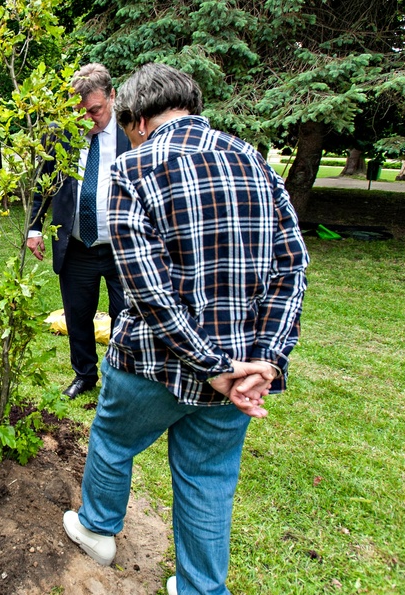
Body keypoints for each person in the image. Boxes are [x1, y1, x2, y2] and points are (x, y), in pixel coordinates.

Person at [61, 64, 309, 595]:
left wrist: (216, 369)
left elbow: (147, 290)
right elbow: (292, 269)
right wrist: (265, 360)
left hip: (153, 365)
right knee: (209, 479)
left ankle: (99, 529)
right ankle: (200, 588)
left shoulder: (133, 167)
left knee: (111, 439)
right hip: (240, 371)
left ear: (137, 119)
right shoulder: (257, 163)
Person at [27, 63, 131, 399]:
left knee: (125, 314)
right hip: (75, 246)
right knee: (78, 315)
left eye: (95, 110)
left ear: (112, 96)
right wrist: (32, 227)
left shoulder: (132, 132)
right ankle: (84, 375)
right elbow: (43, 182)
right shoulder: (61, 133)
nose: (87, 119)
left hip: (122, 247)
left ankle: (119, 376)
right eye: (79, 112)